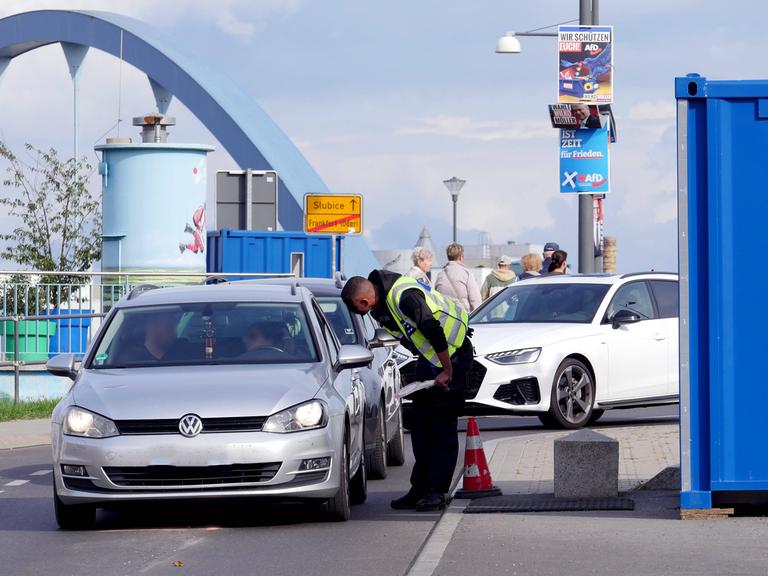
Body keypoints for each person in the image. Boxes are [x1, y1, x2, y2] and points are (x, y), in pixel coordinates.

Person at [341, 270, 472, 512]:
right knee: (421, 426)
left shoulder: (404, 295)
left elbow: (432, 328)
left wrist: (447, 370)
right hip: (431, 359)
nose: (364, 314)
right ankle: (420, 488)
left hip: (453, 355)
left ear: (363, 301)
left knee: (440, 427)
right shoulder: (384, 303)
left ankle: (436, 492)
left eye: (360, 310)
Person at [434, 243, 482, 312]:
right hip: (462, 316)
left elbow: (436, 297)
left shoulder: (440, 275)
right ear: (461, 257)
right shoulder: (466, 273)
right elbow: (475, 299)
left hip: (445, 316)